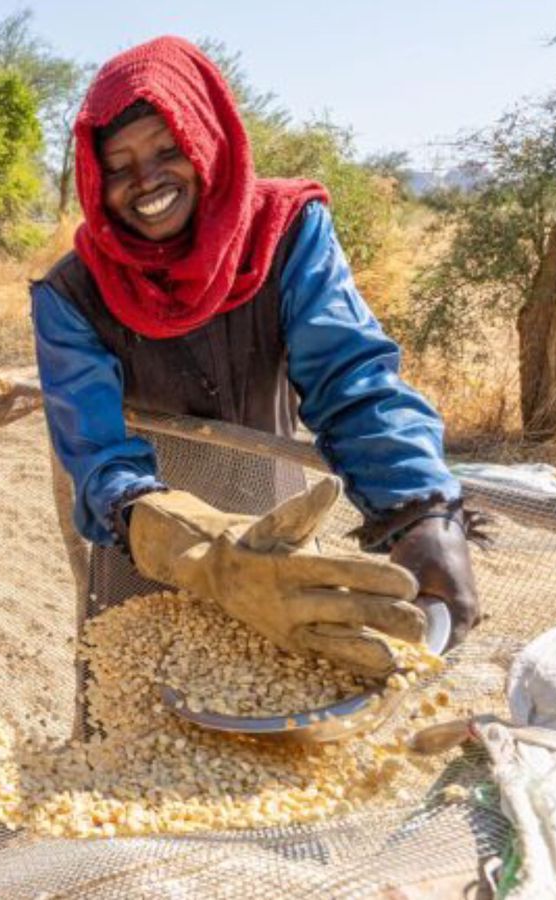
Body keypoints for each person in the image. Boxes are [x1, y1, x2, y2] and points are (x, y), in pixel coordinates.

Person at [33, 37, 481, 688]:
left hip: (277, 539)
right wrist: (195, 545)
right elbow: (100, 455)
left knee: (275, 714)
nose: (146, 182)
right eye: (121, 165)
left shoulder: (286, 232)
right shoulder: (70, 293)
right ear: (96, 179)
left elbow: (350, 377)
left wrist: (420, 508)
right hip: (148, 551)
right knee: (132, 726)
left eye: (167, 151)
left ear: (207, 140)